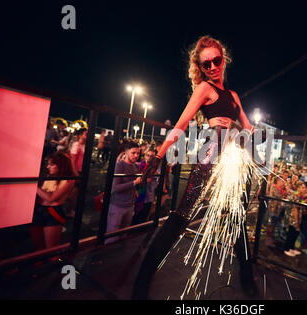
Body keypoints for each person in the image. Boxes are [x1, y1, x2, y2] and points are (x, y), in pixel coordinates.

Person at [132, 35, 257, 299]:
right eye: (205, 64)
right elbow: (181, 123)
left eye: (216, 60)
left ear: (224, 59)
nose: (212, 67)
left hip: (231, 161)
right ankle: (141, 283)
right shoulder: (204, 89)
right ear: (200, 68)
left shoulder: (233, 95)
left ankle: (248, 279)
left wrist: (243, 131)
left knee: (237, 220)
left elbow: (247, 127)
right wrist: (158, 155)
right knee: (181, 217)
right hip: (210, 155)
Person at [30, 152, 75, 254]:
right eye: (48, 164)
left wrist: (32, 185)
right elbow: (43, 195)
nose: (48, 166)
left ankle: (51, 268)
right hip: (38, 210)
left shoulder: (68, 180)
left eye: (51, 164)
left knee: (51, 250)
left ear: (60, 165)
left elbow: (51, 198)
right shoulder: (49, 175)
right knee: (38, 247)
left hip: (53, 213)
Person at [105, 141, 141, 244]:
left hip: (129, 205)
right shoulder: (119, 166)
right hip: (117, 205)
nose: (136, 156)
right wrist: (134, 182)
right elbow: (115, 188)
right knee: (112, 236)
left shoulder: (136, 166)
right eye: (133, 153)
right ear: (126, 152)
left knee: (124, 234)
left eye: (138, 153)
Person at [132, 148, 159, 225]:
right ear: (144, 156)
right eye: (148, 155)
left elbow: (151, 181)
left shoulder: (156, 168)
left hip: (148, 196)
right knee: (135, 215)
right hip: (137, 194)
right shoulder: (139, 165)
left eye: (152, 156)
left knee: (143, 217)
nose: (149, 158)